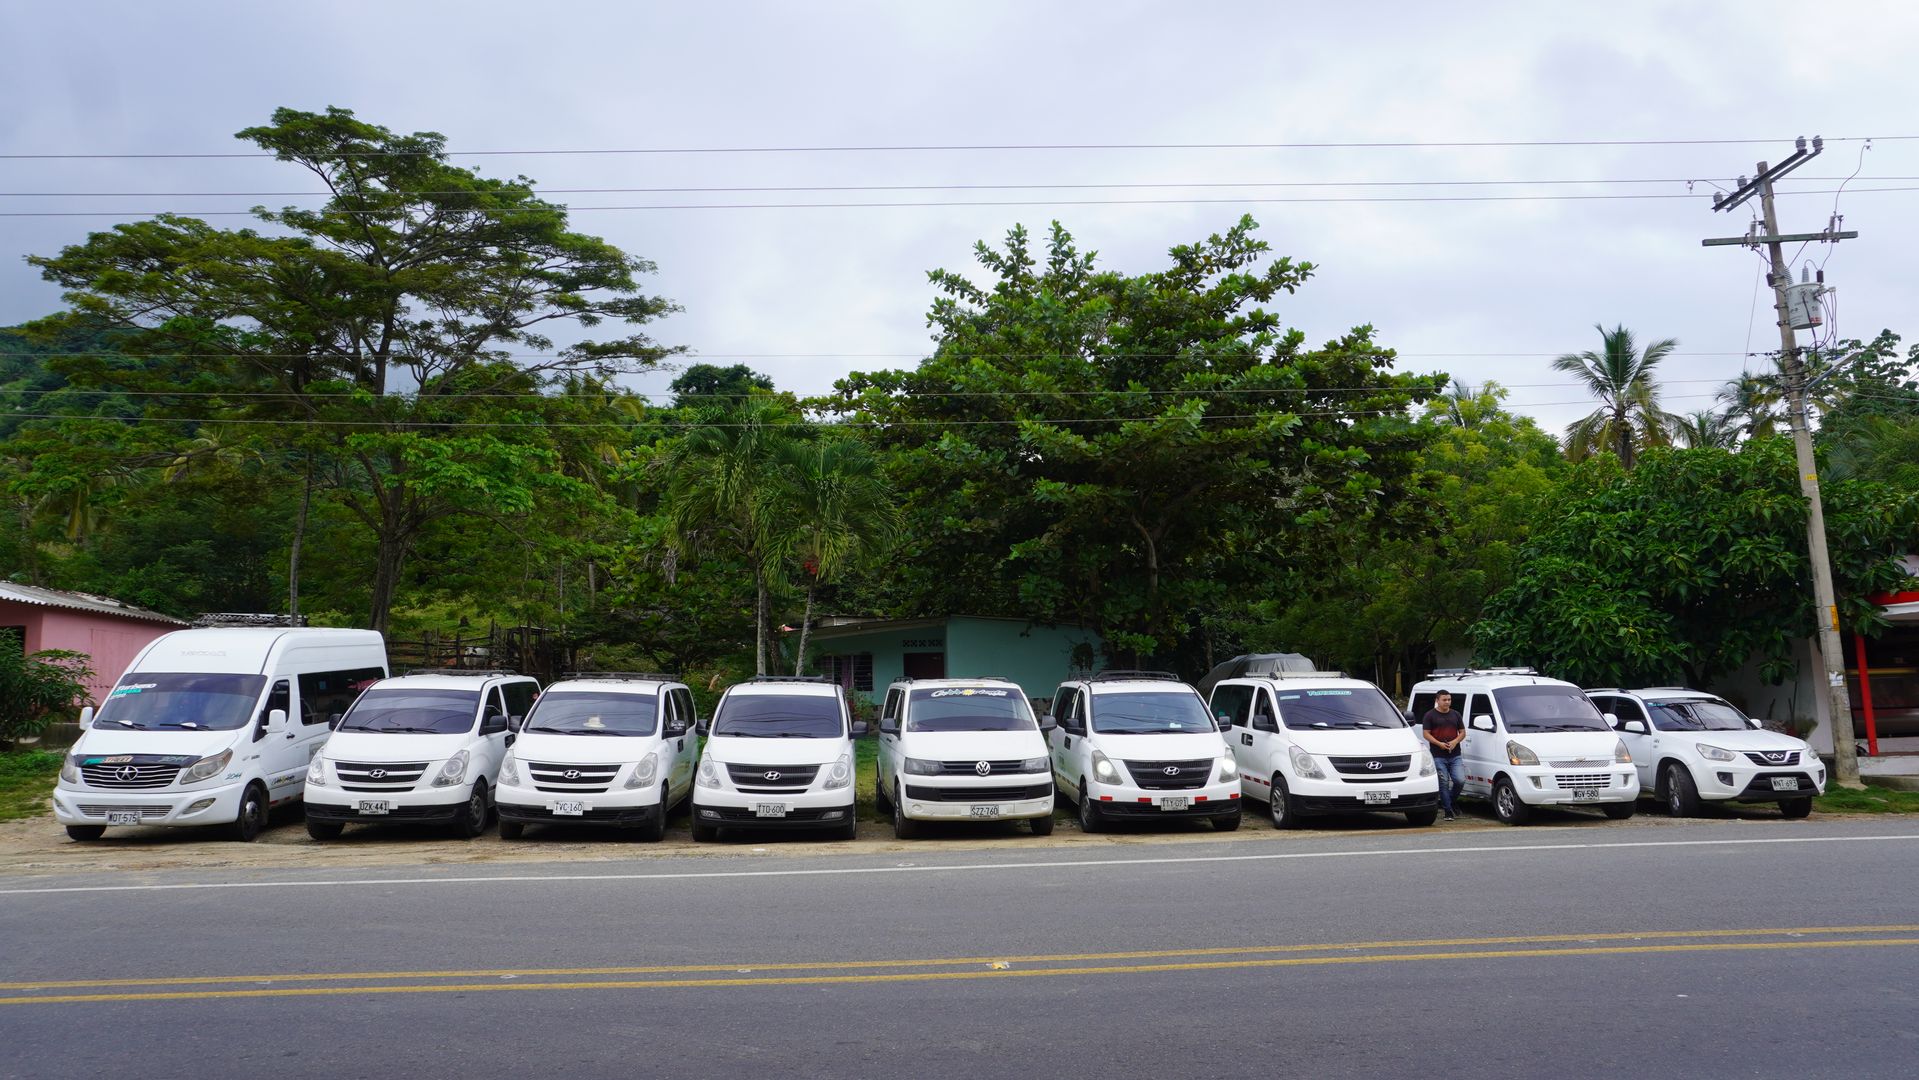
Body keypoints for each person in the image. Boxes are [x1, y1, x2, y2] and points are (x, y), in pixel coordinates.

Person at [1421, 690, 1466, 821]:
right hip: (1438, 755)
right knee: (1443, 782)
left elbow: (1462, 732)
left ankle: (1450, 801)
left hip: (1455, 754)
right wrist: (1439, 744)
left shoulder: (1455, 714)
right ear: (1437, 700)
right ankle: (1448, 811)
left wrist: (1455, 741)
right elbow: (1426, 734)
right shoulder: (1430, 715)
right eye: (1444, 700)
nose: (1447, 702)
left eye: (1449, 700)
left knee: (1460, 780)